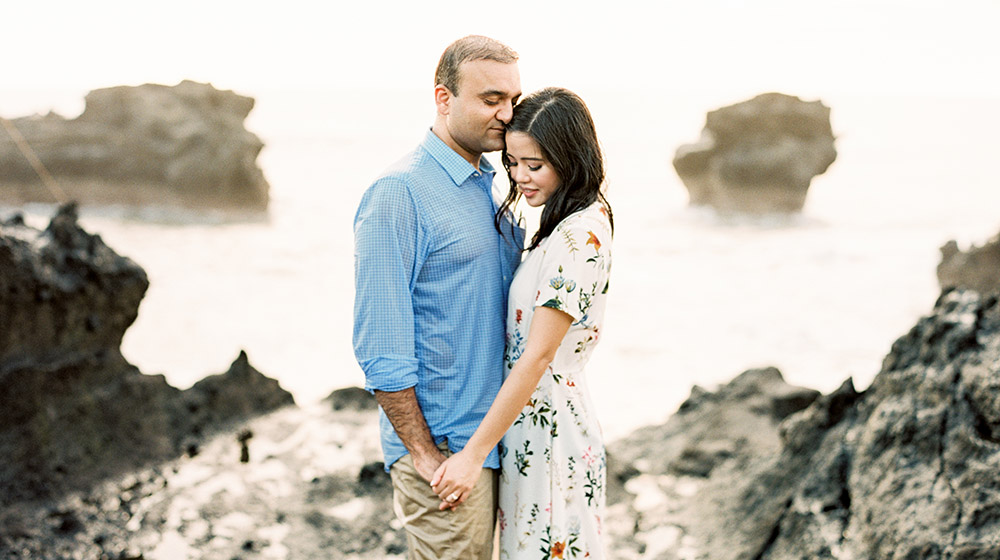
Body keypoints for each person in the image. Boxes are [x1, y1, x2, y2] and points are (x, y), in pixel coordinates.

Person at [352, 35, 524, 559]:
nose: (507, 113)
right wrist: (425, 456)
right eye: (490, 99)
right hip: (447, 449)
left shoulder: (490, 185)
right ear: (444, 98)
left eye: (513, 100)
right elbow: (380, 343)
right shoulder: (399, 193)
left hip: (492, 444)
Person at [431, 87, 614, 559]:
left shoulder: (581, 234)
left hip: (550, 427)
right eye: (513, 163)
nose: (520, 177)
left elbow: (537, 356)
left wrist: (472, 455)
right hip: (530, 424)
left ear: (570, 158)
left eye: (534, 165)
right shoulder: (560, 225)